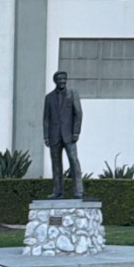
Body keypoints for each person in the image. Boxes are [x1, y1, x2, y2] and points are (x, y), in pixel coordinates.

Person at [43, 71, 84, 199]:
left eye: (64, 79)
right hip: (54, 135)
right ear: (55, 81)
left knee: (74, 161)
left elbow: (78, 113)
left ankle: (78, 190)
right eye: (60, 79)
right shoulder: (49, 97)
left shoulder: (72, 94)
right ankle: (58, 191)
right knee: (56, 164)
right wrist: (46, 136)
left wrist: (76, 131)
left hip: (69, 135)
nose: (62, 81)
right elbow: (46, 119)